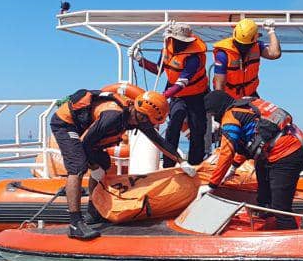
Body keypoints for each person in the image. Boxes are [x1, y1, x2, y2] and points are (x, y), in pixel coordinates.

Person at [49, 88, 196, 239]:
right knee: (78, 166)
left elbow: (159, 141)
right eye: (148, 121)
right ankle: (75, 224)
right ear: (141, 115)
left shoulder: (137, 116)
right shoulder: (113, 116)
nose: (148, 125)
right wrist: (93, 167)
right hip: (66, 123)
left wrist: (182, 161)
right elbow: (85, 143)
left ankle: (93, 212)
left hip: (86, 128)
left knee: (104, 163)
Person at [204, 90, 303, 230]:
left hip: (287, 153)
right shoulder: (247, 104)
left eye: (211, 115)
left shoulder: (230, 117)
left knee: (280, 208)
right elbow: (252, 142)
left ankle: (290, 234)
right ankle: (265, 219)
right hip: (285, 146)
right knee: (264, 198)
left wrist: (212, 185)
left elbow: (227, 152)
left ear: (217, 110)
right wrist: (234, 166)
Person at [134, 24, 209, 166]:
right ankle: (168, 164)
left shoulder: (194, 57)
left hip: (196, 95)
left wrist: (162, 96)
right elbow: (158, 69)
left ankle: (195, 164)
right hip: (177, 96)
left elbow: (182, 83)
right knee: (174, 122)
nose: (181, 44)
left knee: (197, 128)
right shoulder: (166, 49)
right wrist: (140, 60)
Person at [212, 18, 281, 99]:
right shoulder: (223, 54)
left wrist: (271, 32)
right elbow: (219, 85)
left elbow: (274, 54)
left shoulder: (257, 46)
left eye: (246, 45)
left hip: (250, 94)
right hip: (229, 97)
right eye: (239, 44)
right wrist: (222, 103)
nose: (243, 47)